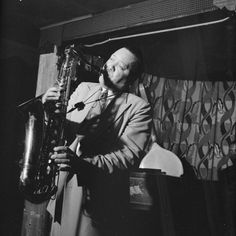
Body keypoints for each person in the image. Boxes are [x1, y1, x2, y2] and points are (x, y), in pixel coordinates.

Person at [42, 46, 152, 236]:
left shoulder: (139, 108)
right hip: (61, 187)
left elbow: (127, 157)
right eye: (111, 59)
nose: (110, 66)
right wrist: (49, 111)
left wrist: (81, 164)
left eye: (121, 66)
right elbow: (62, 129)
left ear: (131, 79)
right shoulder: (85, 88)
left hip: (96, 196)